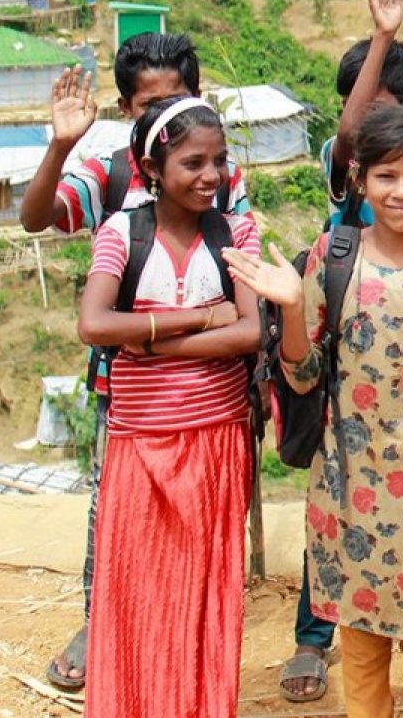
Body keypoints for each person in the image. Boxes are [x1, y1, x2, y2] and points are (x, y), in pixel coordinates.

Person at [18, 33, 252, 694]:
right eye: (152, 103)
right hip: (124, 392)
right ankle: (109, 632)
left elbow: (244, 306)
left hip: (208, 397)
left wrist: (152, 336)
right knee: (117, 527)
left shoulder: (219, 178)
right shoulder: (109, 178)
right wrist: (62, 145)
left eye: (179, 98)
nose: (168, 113)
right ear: (127, 111)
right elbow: (37, 218)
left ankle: (182, 663)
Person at [230, 106, 403, 718]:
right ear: (360, 180)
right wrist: (290, 310)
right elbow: (305, 372)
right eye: (386, 176)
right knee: (361, 652)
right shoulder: (333, 254)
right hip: (347, 493)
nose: (402, 191)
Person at [75, 98, 265, 718]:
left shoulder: (236, 232)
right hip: (139, 442)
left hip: (216, 438)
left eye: (218, 161)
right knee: (136, 590)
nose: (211, 175)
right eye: (192, 163)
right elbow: (95, 324)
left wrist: (149, 333)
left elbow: (249, 332)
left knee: (206, 591)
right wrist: (200, 317)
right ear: (150, 168)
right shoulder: (121, 233)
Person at [320, 0, 403, 226]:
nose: (357, 115)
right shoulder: (350, 158)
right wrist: (383, 35)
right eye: (349, 105)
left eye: (373, 109)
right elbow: (349, 133)